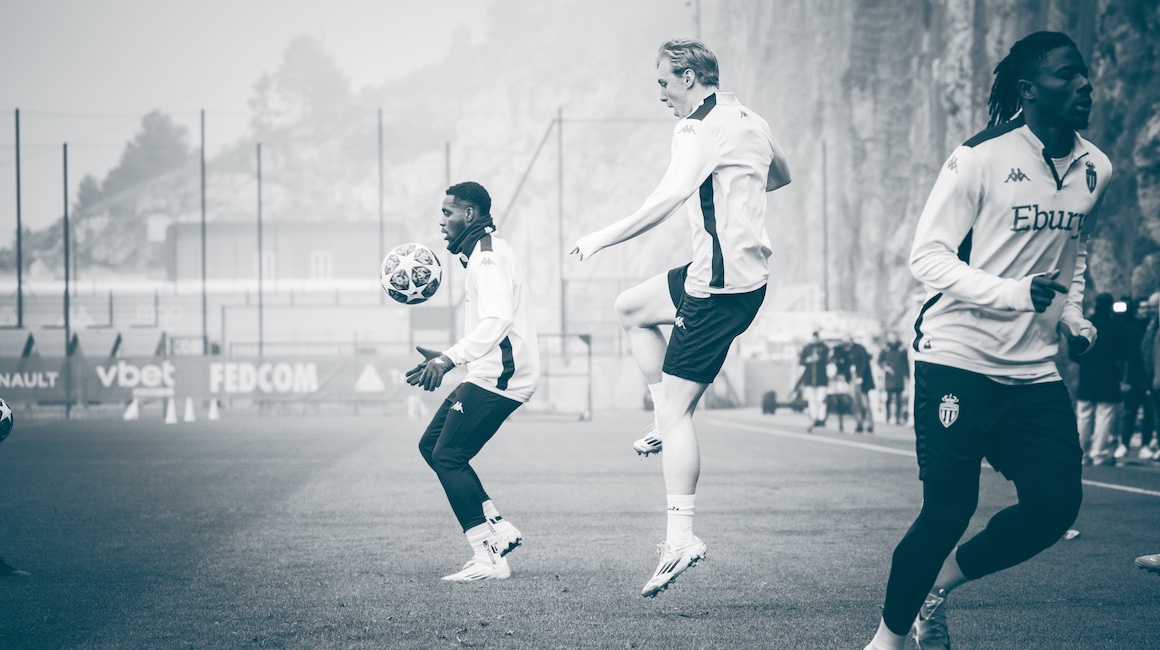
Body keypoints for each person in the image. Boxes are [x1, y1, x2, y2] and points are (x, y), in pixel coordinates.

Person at [864, 32, 1110, 650]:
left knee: (1055, 506)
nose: (1083, 85)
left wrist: (1072, 315)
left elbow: (1071, 255)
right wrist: (1013, 294)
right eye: (1066, 75)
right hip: (958, 357)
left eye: (1084, 74)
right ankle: (886, 642)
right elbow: (928, 257)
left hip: (1033, 371)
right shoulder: (978, 158)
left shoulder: (1096, 168)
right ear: (1028, 90)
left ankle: (936, 589)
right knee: (948, 510)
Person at [572, 38, 790, 597]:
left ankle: (681, 538)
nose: (662, 94)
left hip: (716, 289)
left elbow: (668, 197)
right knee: (630, 308)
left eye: (665, 82)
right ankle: (662, 415)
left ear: (690, 77)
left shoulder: (697, 127)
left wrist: (600, 238)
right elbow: (779, 175)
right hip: (731, 276)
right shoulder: (750, 119)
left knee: (677, 415)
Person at [406, 181, 540, 582]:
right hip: (490, 371)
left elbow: (499, 319)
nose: (441, 221)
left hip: (502, 375)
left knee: (448, 455)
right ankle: (498, 527)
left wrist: (450, 358)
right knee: (432, 447)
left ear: (468, 214)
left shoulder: (486, 258)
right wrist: (455, 355)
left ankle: (488, 556)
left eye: (447, 213)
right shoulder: (483, 252)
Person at [1071, 293, 1124, 465]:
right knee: (1104, 414)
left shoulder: (1085, 325)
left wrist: (1085, 361)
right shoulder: (1116, 326)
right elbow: (1124, 353)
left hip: (1087, 375)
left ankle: (1080, 452)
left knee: (1084, 414)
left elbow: (1073, 353)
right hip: (1108, 375)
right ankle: (1099, 453)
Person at [1121, 295, 1158, 460]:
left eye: (1147, 307)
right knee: (1130, 412)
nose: (1145, 311)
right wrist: (1124, 379)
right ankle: (1124, 443)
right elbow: (1125, 356)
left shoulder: (1153, 328)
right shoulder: (1130, 328)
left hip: (1148, 377)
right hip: (1133, 377)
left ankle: (1145, 444)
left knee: (1149, 413)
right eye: (1142, 307)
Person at [799, 332, 831, 430]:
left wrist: (819, 358)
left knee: (821, 400)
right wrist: (808, 360)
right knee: (812, 400)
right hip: (809, 379)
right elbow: (801, 361)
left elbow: (828, 359)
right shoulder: (807, 348)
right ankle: (814, 418)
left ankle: (821, 418)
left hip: (821, 379)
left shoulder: (824, 348)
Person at [878, 333, 910, 425]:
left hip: (899, 377)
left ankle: (898, 418)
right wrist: (885, 368)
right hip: (889, 377)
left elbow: (906, 364)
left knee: (899, 399)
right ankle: (888, 417)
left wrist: (907, 377)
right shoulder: (885, 349)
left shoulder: (902, 350)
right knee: (889, 398)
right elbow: (879, 361)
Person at [849, 336, 876, 433]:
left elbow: (863, 363)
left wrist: (860, 376)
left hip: (862, 380)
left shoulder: (860, 349)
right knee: (855, 402)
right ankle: (859, 423)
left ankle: (869, 424)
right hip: (853, 377)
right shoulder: (849, 350)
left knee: (864, 402)